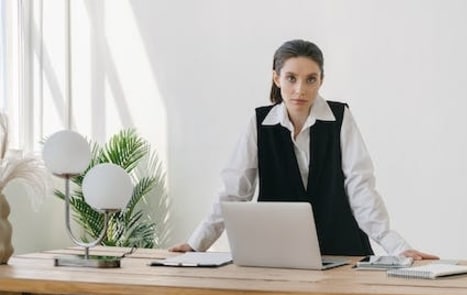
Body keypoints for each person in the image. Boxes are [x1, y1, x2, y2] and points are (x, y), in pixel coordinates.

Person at [170, 39, 438, 260]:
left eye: (310, 79)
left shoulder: (340, 118)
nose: (300, 89)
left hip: (343, 253)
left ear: (321, 80)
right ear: (276, 78)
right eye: (291, 78)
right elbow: (233, 192)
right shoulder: (259, 123)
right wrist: (196, 245)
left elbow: (361, 190)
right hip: (278, 255)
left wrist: (397, 247)